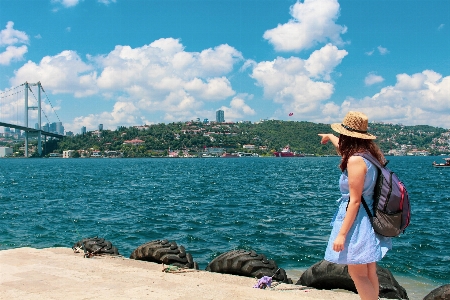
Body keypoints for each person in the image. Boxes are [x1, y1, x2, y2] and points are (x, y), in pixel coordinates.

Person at [318, 111, 392, 300]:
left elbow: (355, 200)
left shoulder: (355, 161)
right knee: (368, 272)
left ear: (348, 136)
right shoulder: (368, 156)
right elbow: (343, 150)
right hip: (367, 218)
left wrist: (342, 234)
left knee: (358, 274)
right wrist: (331, 137)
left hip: (357, 221)